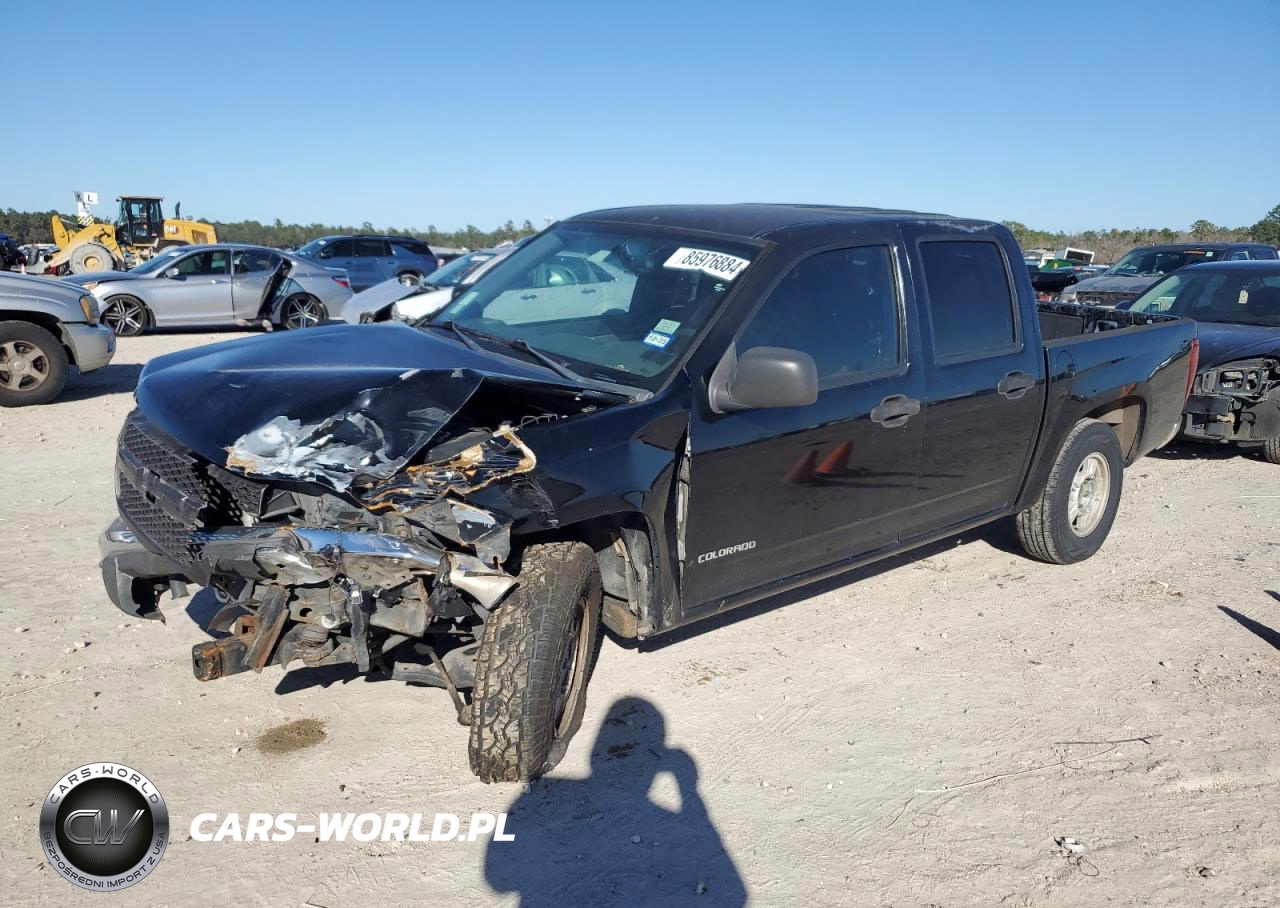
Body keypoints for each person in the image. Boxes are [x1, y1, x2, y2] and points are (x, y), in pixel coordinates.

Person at [486, 697, 747, 907]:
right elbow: (736, 893)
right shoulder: (665, 818)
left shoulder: (541, 797)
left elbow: (497, 878)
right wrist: (688, 787)